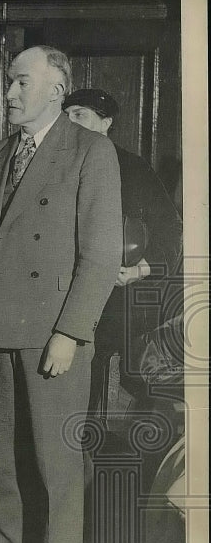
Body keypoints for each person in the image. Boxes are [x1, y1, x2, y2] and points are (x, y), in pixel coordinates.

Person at [0, 46, 122, 543]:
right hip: (0, 327)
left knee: (57, 457)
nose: (7, 94)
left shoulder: (91, 151)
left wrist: (70, 332)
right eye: (8, 82)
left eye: (19, 83)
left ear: (55, 89)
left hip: (53, 329)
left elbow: (100, 256)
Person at [62, 88, 183, 408]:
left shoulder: (133, 167)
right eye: (66, 115)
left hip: (114, 299)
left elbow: (169, 228)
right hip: (60, 291)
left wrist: (140, 269)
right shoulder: (54, 165)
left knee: (97, 380)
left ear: (106, 123)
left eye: (80, 115)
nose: (70, 122)